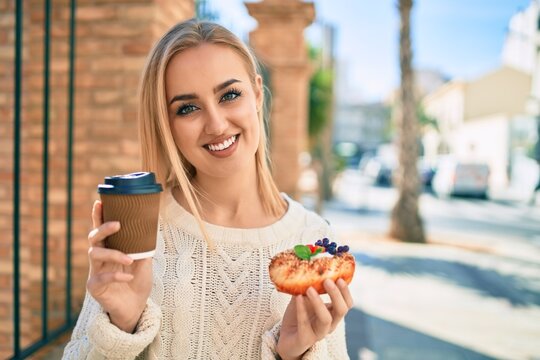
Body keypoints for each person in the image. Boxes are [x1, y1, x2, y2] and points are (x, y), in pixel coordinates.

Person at [63, 19, 353, 359]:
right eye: (187, 108)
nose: (216, 124)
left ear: (257, 95)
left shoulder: (313, 239)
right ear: (166, 124)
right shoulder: (140, 231)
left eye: (230, 95)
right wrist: (120, 326)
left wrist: (293, 353)